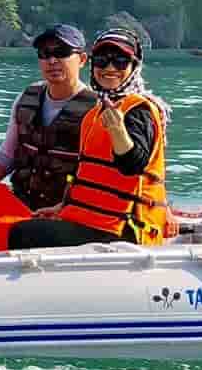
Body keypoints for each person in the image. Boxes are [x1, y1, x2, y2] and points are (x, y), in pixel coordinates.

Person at [9, 27, 168, 247]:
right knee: (29, 223)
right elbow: (85, 173)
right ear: (93, 65)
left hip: (124, 227)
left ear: (134, 66)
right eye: (102, 60)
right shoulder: (95, 112)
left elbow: (133, 164)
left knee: (23, 233)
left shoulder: (140, 110)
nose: (110, 68)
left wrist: (118, 130)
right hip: (91, 220)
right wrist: (62, 208)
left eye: (121, 61)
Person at [0, 22, 98, 211]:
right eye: (44, 53)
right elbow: (6, 157)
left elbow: (97, 175)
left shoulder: (96, 110)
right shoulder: (25, 99)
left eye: (62, 52)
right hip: (21, 200)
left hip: (66, 210)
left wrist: (65, 207)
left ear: (82, 59)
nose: (52, 60)